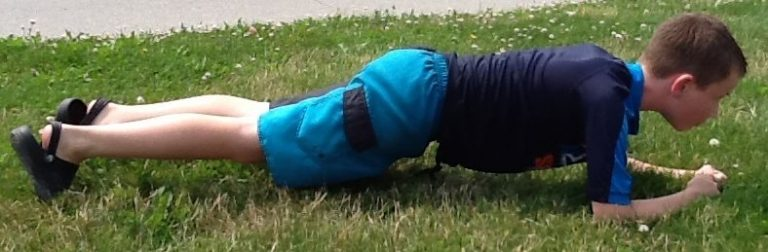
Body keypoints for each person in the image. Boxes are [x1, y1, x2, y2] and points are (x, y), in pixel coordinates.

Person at [10, 13, 746, 221]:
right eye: (719, 99)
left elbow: (612, 160)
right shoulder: (605, 97)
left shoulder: (607, 82)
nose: (717, 113)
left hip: (415, 79)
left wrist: (678, 171)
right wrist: (689, 197)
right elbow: (608, 213)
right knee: (255, 143)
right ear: (684, 85)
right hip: (408, 105)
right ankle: (71, 143)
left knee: (265, 113)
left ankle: (109, 113)